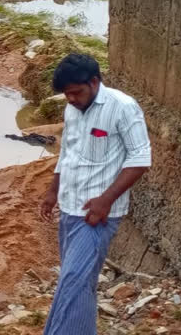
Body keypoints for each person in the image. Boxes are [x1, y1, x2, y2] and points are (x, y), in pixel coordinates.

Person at [40, 54, 151, 335]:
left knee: (74, 280)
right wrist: (52, 191)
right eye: (67, 94)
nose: (72, 99)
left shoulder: (123, 107)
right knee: (80, 283)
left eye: (76, 92)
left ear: (94, 81)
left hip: (96, 215)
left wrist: (106, 200)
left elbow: (140, 159)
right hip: (68, 208)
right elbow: (67, 153)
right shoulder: (72, 110)